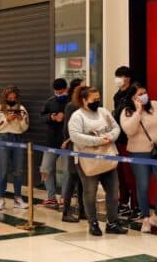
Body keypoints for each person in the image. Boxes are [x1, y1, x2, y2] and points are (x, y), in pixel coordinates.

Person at [68, 86, 128, 236]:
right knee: (90, 193)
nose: (97, 101)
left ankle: (112, 222)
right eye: (94, 99)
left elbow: (116, 127)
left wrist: (111, 137)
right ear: (84, 100)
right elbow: (76, 136)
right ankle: (93, 223)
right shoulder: (77, 116)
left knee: (114, 192)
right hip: (88, 161)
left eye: (98, 98)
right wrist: (98, 140)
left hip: (108, 158)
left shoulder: (103, 112)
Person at [120, 83, 157, 233]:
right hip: (139, 153)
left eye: (144, 92)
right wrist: (138, 111)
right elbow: (129, 130)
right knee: (143, 185)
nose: (143, 96)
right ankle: (145, 218)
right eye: (139, 94)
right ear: (132, 98)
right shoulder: (127, 112)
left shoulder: (156, 105)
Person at [0, 86, 29, 211]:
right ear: (4, 98)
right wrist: (7, 120)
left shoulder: (22, 109)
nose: (12, 100)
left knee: (18, 171)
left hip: (18, 139)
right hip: (3, 140)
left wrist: (20, 120)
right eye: (9, 98)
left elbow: (25, 127)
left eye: (14, 98)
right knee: (3, 171)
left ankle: (18, 198)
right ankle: (1, 199)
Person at [112, 66, 139, 218]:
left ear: (127, 78)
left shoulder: (133, 92)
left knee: (131, 174)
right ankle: (123, 202)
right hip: (118, 137)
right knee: (120, 173)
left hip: (130, 138)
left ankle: (136, 204)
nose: (118, 80)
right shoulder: (117, 96)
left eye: (120, 76)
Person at [39, 78, 69, 209]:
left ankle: (64, 198)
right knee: (45, 169)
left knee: (68, 171)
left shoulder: (72, 103)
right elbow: (42, 117)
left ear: (66, 89)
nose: (58, 94)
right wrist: (52, 117)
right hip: (51, 141)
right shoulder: (49, 102)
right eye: (56, 92)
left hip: (67, 142)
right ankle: (51, 198)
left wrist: (65, 118)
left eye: (61, 91)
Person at [61, 78, 86, 222]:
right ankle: (66, 211)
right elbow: (67, 129)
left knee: (83, 180)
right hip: (74, 147)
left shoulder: (88, 108)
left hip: (86, 149)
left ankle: (83, 210)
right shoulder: (71, 106)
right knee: (72, 178)